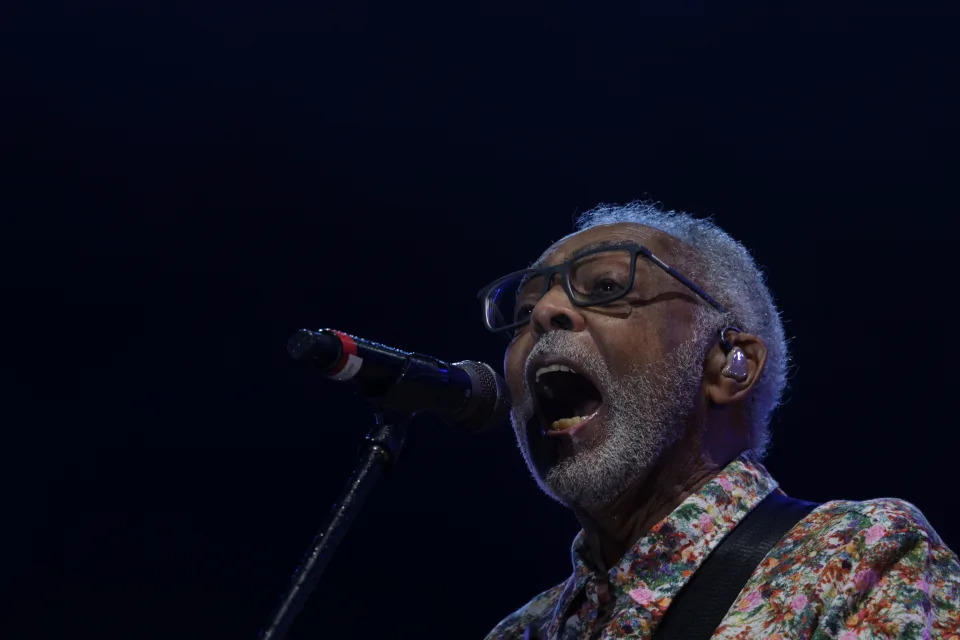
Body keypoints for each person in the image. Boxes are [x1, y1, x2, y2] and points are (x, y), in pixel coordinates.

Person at [479, 203, 959, 639]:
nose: (543, 313)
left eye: (607, 286)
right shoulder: (519, 632)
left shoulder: (856, 558)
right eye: (523, 313)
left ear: (731, 365)